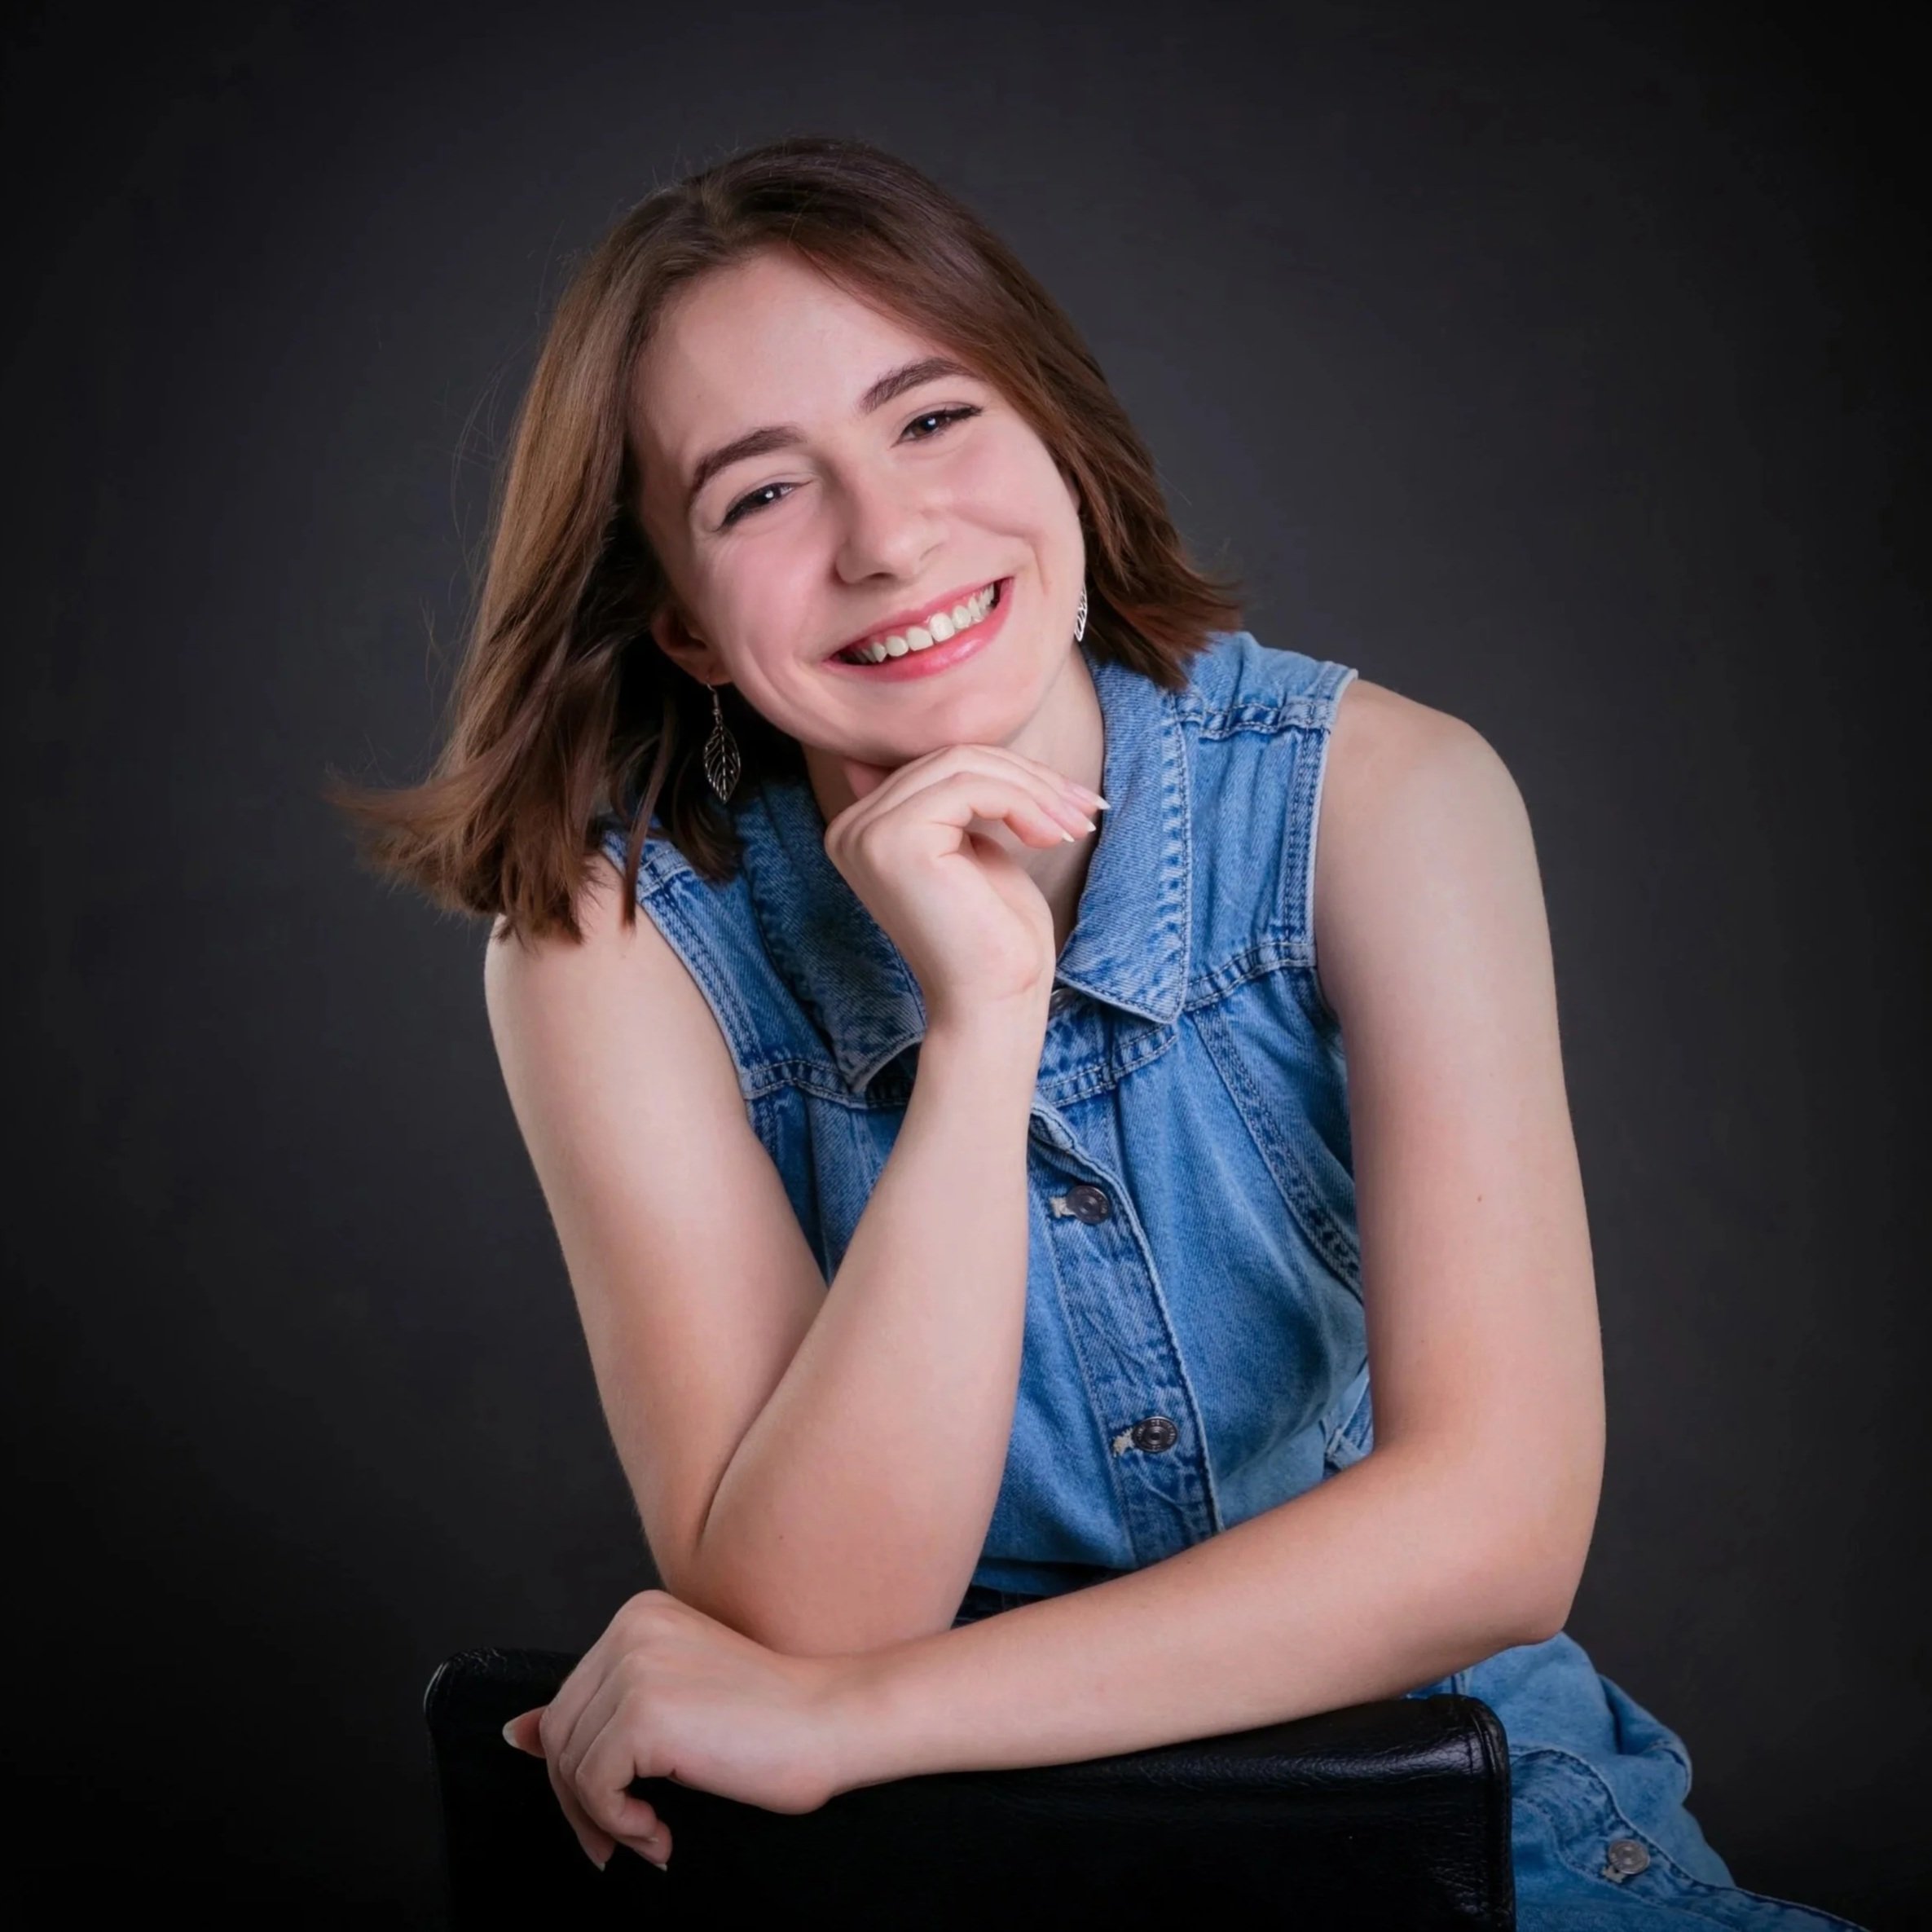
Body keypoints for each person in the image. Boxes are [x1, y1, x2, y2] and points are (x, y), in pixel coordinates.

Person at [329, 135, 1865, 1929]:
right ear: (680, 617)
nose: (886, 537)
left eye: (930, 418)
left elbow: (1494, 1528)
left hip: (1437, 1820)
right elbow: (811, 1612)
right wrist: (980, 1036)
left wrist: (854, 1716)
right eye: (759, 494)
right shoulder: (603, 951)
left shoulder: (1386, 801)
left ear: (1057, 431)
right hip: (936, 1869)